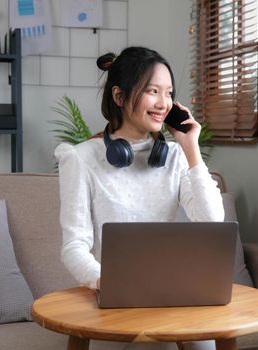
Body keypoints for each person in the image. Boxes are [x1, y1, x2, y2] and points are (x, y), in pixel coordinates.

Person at [54, 47, 224, 350]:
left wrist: (191, 148)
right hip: (115, 300)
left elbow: (212, 223)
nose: (163, 103)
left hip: (172, 294)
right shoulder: (80, 159)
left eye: (169, 93)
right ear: (119, 97)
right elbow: (74, 247)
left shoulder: (175, 156)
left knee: (207, 342)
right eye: (152, 91)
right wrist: (105, 280)